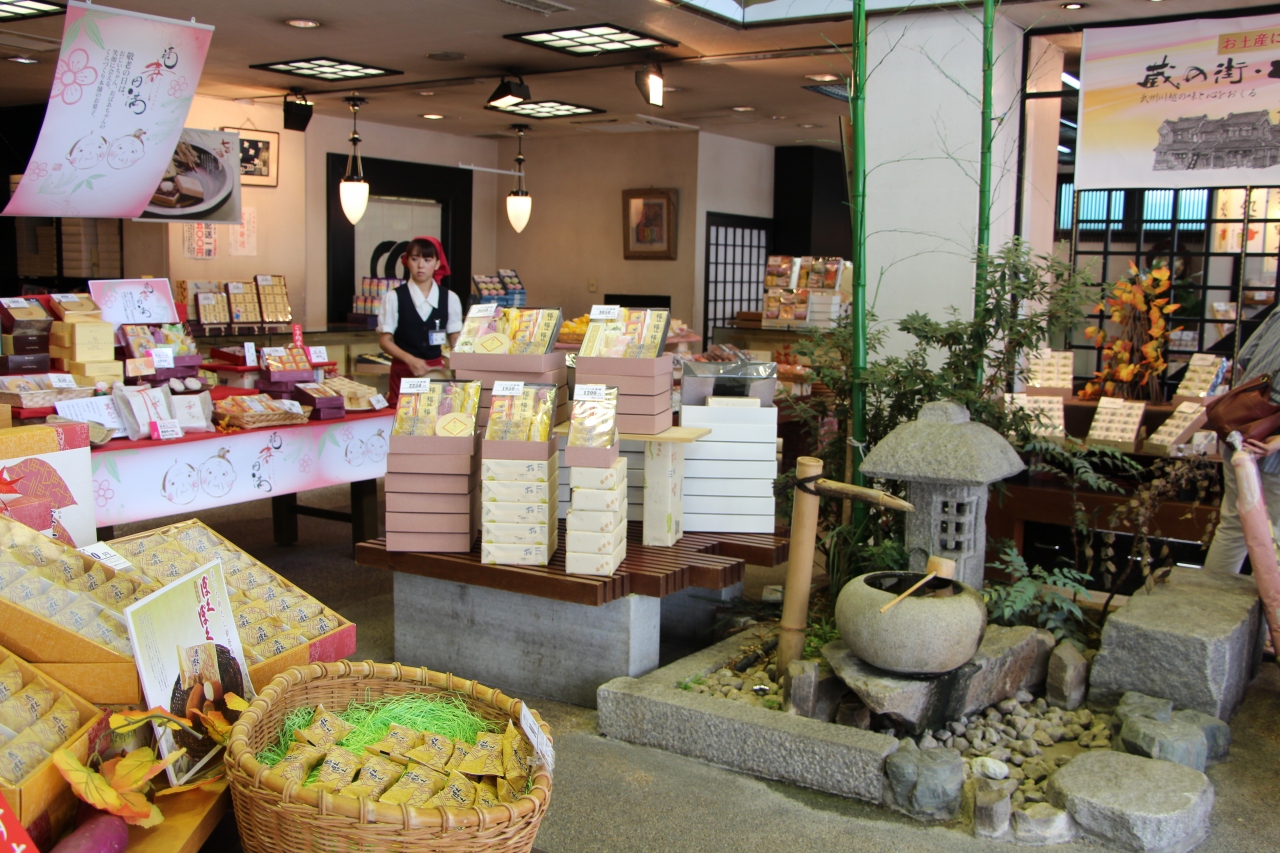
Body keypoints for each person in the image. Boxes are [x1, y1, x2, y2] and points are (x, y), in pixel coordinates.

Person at [1203, 308, 1280, 583]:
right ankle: (1271, 607)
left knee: (1233, 526)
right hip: (1273, 448)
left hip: (1241, 432)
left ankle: (1211, 601)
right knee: (1274, 532)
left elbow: (1246, 357)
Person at [377, 236, 463, 404]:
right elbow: (384, 341)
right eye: (415, 259)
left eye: (427, 260)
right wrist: (411, 360)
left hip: (436, 376)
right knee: (402, 418)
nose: (421, 265)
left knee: (435, 415)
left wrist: (456, 365)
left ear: (437, 264)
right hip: (403, 376)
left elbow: (455, 340)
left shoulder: (450, 298)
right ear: (407, 262)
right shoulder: (393, 297)